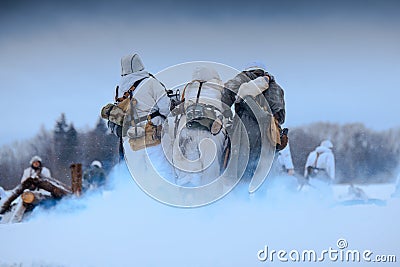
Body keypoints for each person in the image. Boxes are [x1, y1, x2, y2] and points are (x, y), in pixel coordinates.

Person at [222, 61, 287, 182]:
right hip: (269, 132)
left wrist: (227, 114)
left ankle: (239, 196)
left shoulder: (242, 79)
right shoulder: (276, 87)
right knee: (264, 172)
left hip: (244, 128)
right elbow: (281, 116)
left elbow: (225, 96)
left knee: (240, 168)